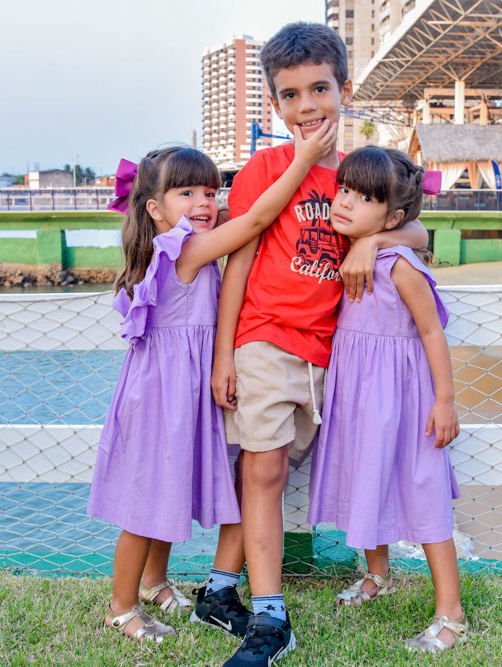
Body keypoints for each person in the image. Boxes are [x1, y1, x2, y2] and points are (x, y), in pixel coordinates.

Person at [205, 22, 430, 666]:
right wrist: (225, 354)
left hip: (323, 355)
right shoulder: (265, 168)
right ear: (275, 105)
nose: (307, 107)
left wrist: (370, 239)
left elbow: (414, 231)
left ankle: (219, 589)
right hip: (263, 340)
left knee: (270, 474)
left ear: (344, 89)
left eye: (320, 89)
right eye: (290, 95)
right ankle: (270, 617)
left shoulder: (362, 176)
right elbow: (238, 264)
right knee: (264, 467)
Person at [88, 125, 337, 645]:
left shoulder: (184, 240)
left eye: (209, 190)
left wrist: (214, 216)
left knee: (169, 488)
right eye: (187, 193)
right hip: (164, 397)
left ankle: (156, 582)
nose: (204, 200)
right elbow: (259, 219)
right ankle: (120, 605)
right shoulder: (184, 250)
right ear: (155, 208)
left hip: (178, 391)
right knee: (146, 502)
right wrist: (304, 159)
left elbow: (234, 223)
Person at [306, 147, 465, 653]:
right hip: (355, 397)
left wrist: (445, 400)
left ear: (393, 216)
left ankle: (451, 612)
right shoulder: (338, 243)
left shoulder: (400, 265)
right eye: (345, 189)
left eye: (365, 197)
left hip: (403, 400)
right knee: (363, 478)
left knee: (422, 491)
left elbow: (432, 332)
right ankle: (379, 574)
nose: (347, 202)